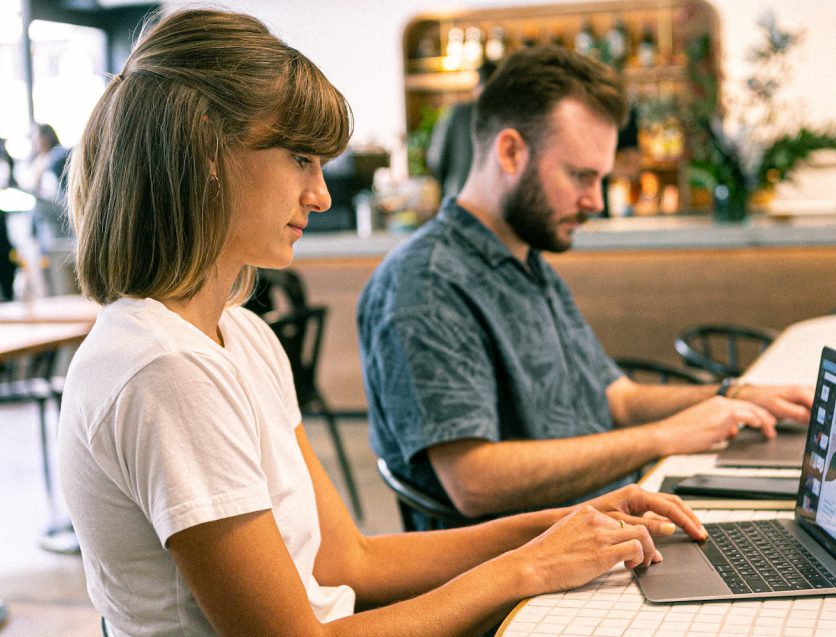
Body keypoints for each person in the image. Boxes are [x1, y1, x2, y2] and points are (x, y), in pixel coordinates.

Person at [58, 10, 709, 636]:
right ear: (207, 152)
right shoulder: (163, 367)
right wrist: (529, 565)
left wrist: (571, 520)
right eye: (299, 159)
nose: (322, 194)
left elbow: (352, 563)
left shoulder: (242, 335)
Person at [358, 45, 814, 530]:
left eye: (600, 178)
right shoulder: (427, 284)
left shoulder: (528, 261)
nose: (595, 201)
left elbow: (616, 398)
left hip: (604, 523)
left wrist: (733, 395)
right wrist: (662, 437)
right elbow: (474, 482)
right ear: (510, 151)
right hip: (520, 572)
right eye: (579, 175)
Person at [426, 60, 497, 201]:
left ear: (476, 88)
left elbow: (435, 159)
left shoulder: (457, 113)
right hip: (495, 205)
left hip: (459, 199)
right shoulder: (507, 116)